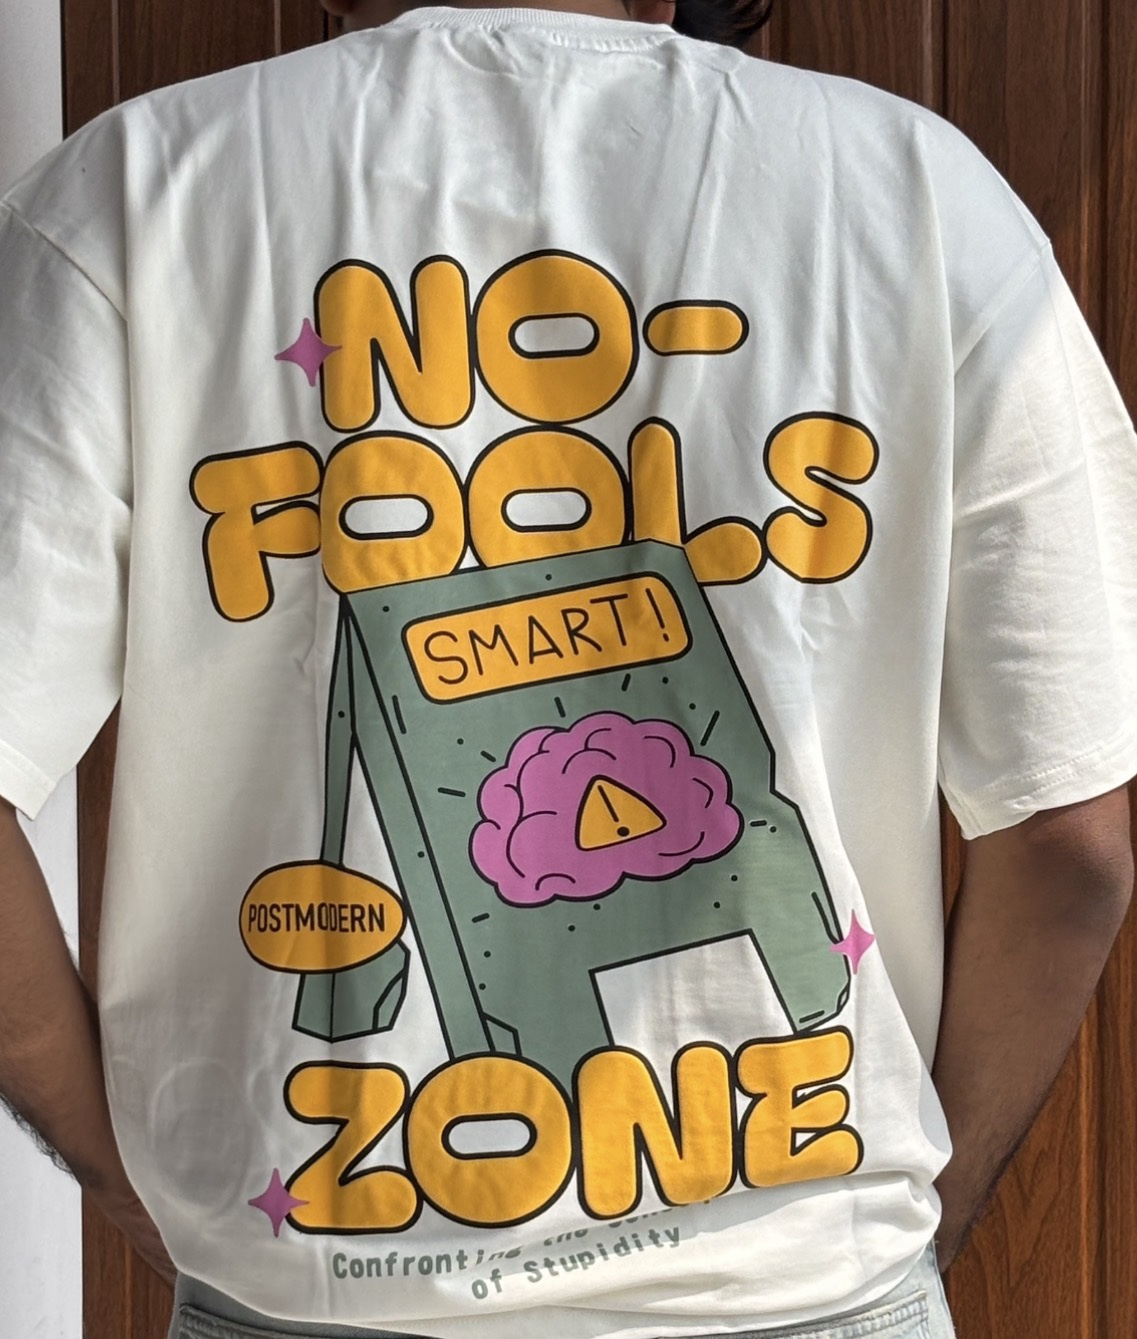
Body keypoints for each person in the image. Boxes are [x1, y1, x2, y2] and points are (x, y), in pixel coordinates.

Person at [1, 1, 1134, 1337]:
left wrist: (137, 1189)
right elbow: (1070, 843)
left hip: (321, 1285)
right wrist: (915, 1230)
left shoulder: (137, 193)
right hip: (808, 1283)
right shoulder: (922, 194)